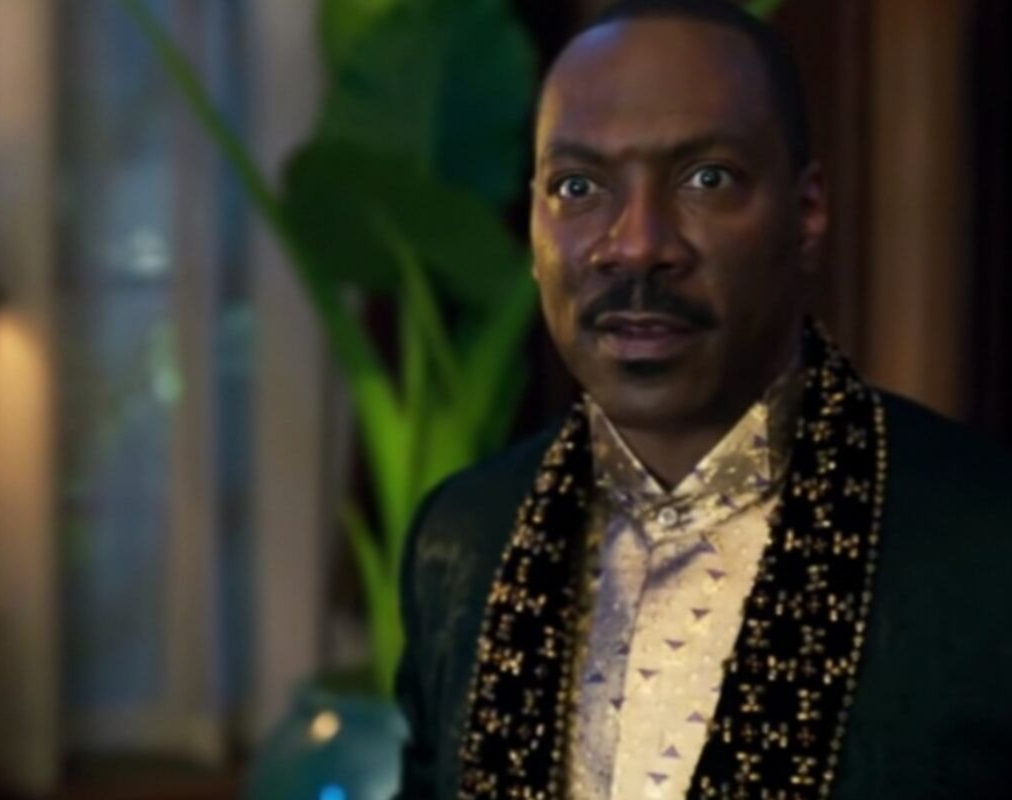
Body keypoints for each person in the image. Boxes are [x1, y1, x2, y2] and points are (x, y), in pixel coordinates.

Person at [393, 1, 1012, 798]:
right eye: (579, 186)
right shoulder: (463, 541)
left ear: (807, 213)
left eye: (706, 180)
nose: (637, 244)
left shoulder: (984, 545)